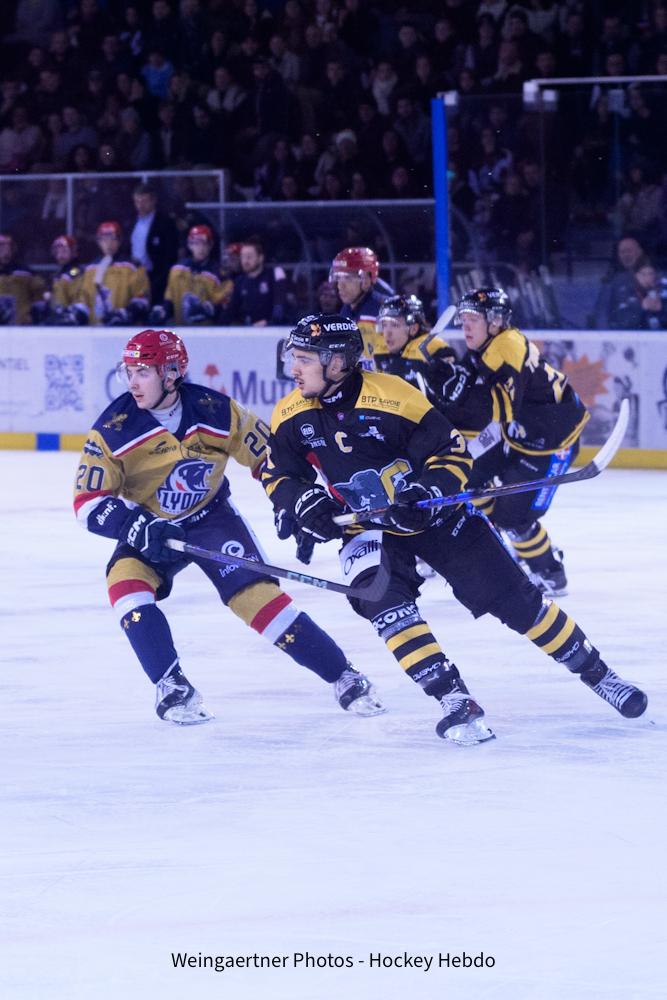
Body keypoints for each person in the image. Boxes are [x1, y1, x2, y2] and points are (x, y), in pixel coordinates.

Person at [261, 313, 647, 745]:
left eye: (304, 358)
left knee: (518, 602)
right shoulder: (290, 413)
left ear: (337, 362)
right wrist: (301, 502)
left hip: (433, 516)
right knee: (383, 604)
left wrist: (426, 490)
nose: (293, 369)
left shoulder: (392, 397)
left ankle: (600, 675)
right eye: (293, 357)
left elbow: (452, 452)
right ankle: (455, 699)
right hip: (368, 529)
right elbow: (279, 474)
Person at [73, 328, 383, 726]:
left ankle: (344, 676)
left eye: (143, 372)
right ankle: (171, 685)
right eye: (128, 372)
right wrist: (133, 525)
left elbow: (270, 457)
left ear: (172, 373)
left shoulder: (215, 410)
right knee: (125, 586)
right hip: (152, 527)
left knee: (259, 602)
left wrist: (290, 500)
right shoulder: (113, 429)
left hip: (212, 520)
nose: (132, 382)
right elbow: (87, 501)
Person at [448, 288, 591, 597]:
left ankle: (551, 573)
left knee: (514, 517)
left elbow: (501, 411)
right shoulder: (490, 344)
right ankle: (508, 545)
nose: (465, 326)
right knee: (469, 478)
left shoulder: (506, 347)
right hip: (519, 433)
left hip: (553, 443)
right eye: (464, 318)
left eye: (473, 319)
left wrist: (457, 400)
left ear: (495, 321)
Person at [149, 225, 232, 325]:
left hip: (208, 331)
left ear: (210, 245)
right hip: (181, 330)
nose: (201, 248)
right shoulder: (177, 270)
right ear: (189, 245)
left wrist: (209, 309)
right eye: (196, 243)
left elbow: (225, 304)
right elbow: (170, 298)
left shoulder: (218, 273)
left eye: (204, 243)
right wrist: (163, 312)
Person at [73, 221, 150, 326]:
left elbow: (142, 299)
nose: (108, 243)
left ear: (119, 240)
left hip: (126, 330)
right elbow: (84, 300)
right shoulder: (91, 269)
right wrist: (77, 313)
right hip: (96, 330)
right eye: (103, 238)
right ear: (98, 241)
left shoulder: (132, 267)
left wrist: (126, 313)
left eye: (112, 238)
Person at [329, 246, 387, 366]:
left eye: (348, 278)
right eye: (338, 278)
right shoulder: (346, 310)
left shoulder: (385, 310)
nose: (340, 286)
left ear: (366, 280)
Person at [221, 237, 291, 326]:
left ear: (260, 258)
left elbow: (281, 307)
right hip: (248, 330)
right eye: (242, 256)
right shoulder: (240, 281)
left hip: (274, 329)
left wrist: (270, 323)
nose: (245, 261)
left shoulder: (273, 275)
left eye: (249, 256)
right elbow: (230, 311)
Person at [130, 182, 179, 305]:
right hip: (133, 276)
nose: (140, 205)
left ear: (153, 201)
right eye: (137, 201)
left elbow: (170, 254)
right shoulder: (130, 221)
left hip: (156, 277)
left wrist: (161, 279)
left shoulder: (165, 222)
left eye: (144, 201)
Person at [31, 234, 85, 325]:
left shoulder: (76, 271)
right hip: (56, 318)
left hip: (70, 320)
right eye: (57, 252)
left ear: (73, 252)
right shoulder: (57, 274)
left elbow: (78, 299)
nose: (60, 255)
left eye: (64, 251)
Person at [0, 233, 45, 324]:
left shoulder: (25, 272)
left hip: (22, 325)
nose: (6, 248)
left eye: (9, 245)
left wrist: (33, 317)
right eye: (2, 245)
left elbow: (39, 295)